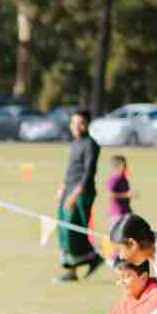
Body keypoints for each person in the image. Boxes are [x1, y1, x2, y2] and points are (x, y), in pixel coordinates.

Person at [54, 109, 105, 282]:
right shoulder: (76, 143)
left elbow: (88, 172)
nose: (76, 127)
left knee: (72, 229)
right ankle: (88, 260)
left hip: (81, 193)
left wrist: (76, 193)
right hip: (68, 191)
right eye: (73, 123)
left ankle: (75, 268)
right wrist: (63, 187)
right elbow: (72, 170)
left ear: (87, 124)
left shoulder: (91, 144)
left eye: (80, 123)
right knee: (63, 228)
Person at [105, 155, 134, 226]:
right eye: (125, 164)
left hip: (126, 213)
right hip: (117, 214)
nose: (126, 166)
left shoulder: (124, 178)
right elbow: (109, 194)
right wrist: (127, 195)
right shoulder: (114, 178)